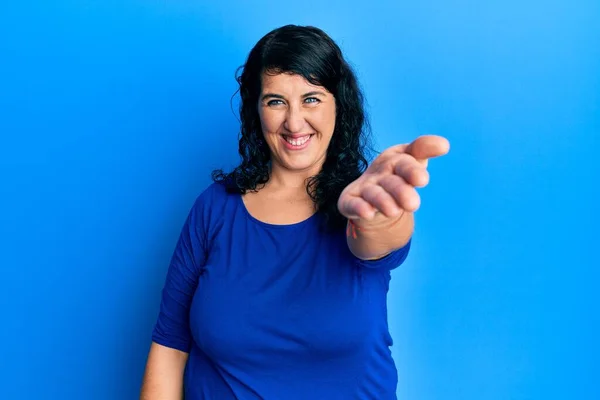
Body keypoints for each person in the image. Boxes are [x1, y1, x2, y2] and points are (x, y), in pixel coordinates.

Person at [140, 24, 449, 400]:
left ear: (340, 104)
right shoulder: (214, 208)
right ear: (256, 110)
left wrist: (380, 212)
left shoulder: (361, 206)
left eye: (312, 99)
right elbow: (170, 345)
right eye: (276, 101)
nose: (294, 122)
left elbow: (379, 234)